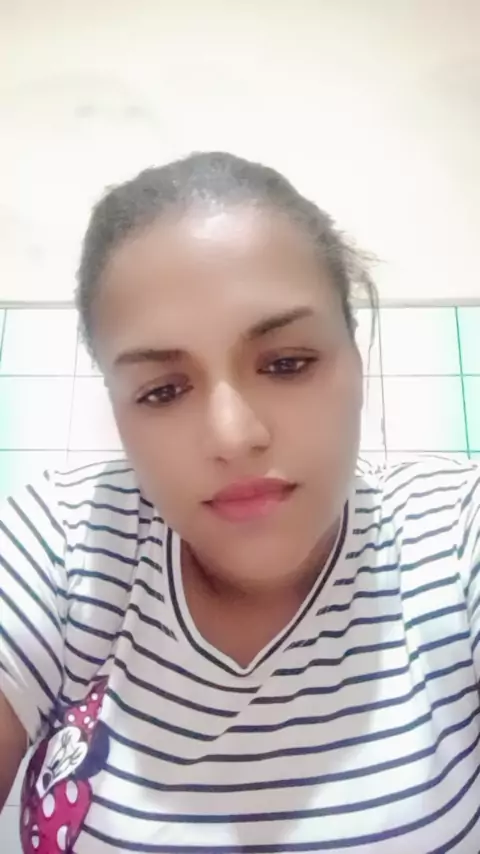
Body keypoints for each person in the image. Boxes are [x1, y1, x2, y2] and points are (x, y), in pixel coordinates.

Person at [0, 152, 479, 854]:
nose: (233, 436)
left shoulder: (455, 539)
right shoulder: (64, 543)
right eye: (163, 391)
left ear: (355, 355)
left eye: (286, 364)